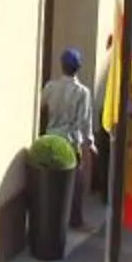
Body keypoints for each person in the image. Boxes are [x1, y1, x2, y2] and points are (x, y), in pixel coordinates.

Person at [40, 48, 97, 234]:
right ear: (78, 68)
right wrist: (90, 143)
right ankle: (75, 220)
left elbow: (39, 105)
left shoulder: (50, 87)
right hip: (71, 143)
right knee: (75, 183)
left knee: (51, 182)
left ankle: (50, 218)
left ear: (61, 65)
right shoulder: (83, 92)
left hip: (50, 139)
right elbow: (85, 121)